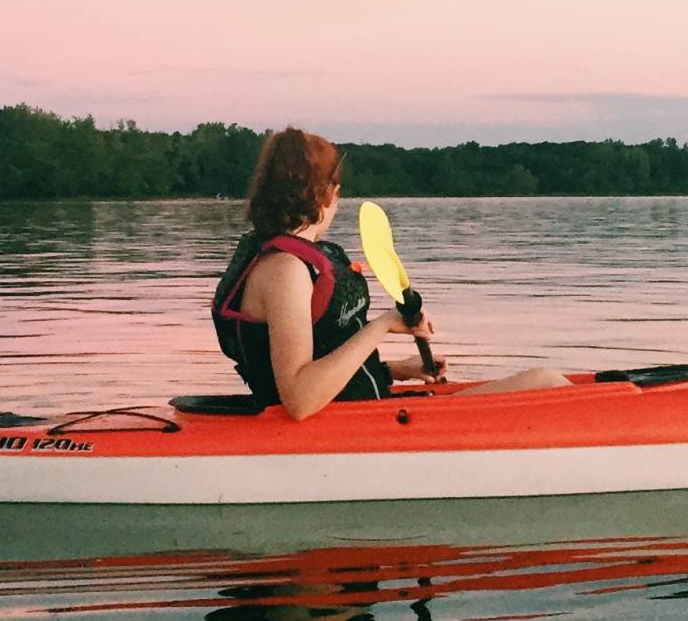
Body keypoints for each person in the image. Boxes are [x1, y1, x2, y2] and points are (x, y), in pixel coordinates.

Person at [212, 127, 568, 419]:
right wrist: (382, 325)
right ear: (327, 194)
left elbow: (327, 361)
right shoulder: (286, 270)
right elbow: (301, 399)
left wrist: (397, 370)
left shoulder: (296, 260)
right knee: (548, 383)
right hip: (353, 428)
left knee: (546, 382)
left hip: (369, 411)